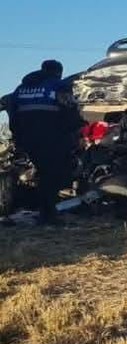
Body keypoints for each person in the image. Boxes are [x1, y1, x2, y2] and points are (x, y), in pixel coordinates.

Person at [8, 60, 85, 225]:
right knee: (55, 174)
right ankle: (48, 214)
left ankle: (45, 210)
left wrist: (19, 137)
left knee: (44, 173)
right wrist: (75, 132)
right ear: (58, 71)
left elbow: (12, 112)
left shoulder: (21, 89)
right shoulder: (59, 86)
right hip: (52, 138)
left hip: (28, 139)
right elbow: (70, 110)